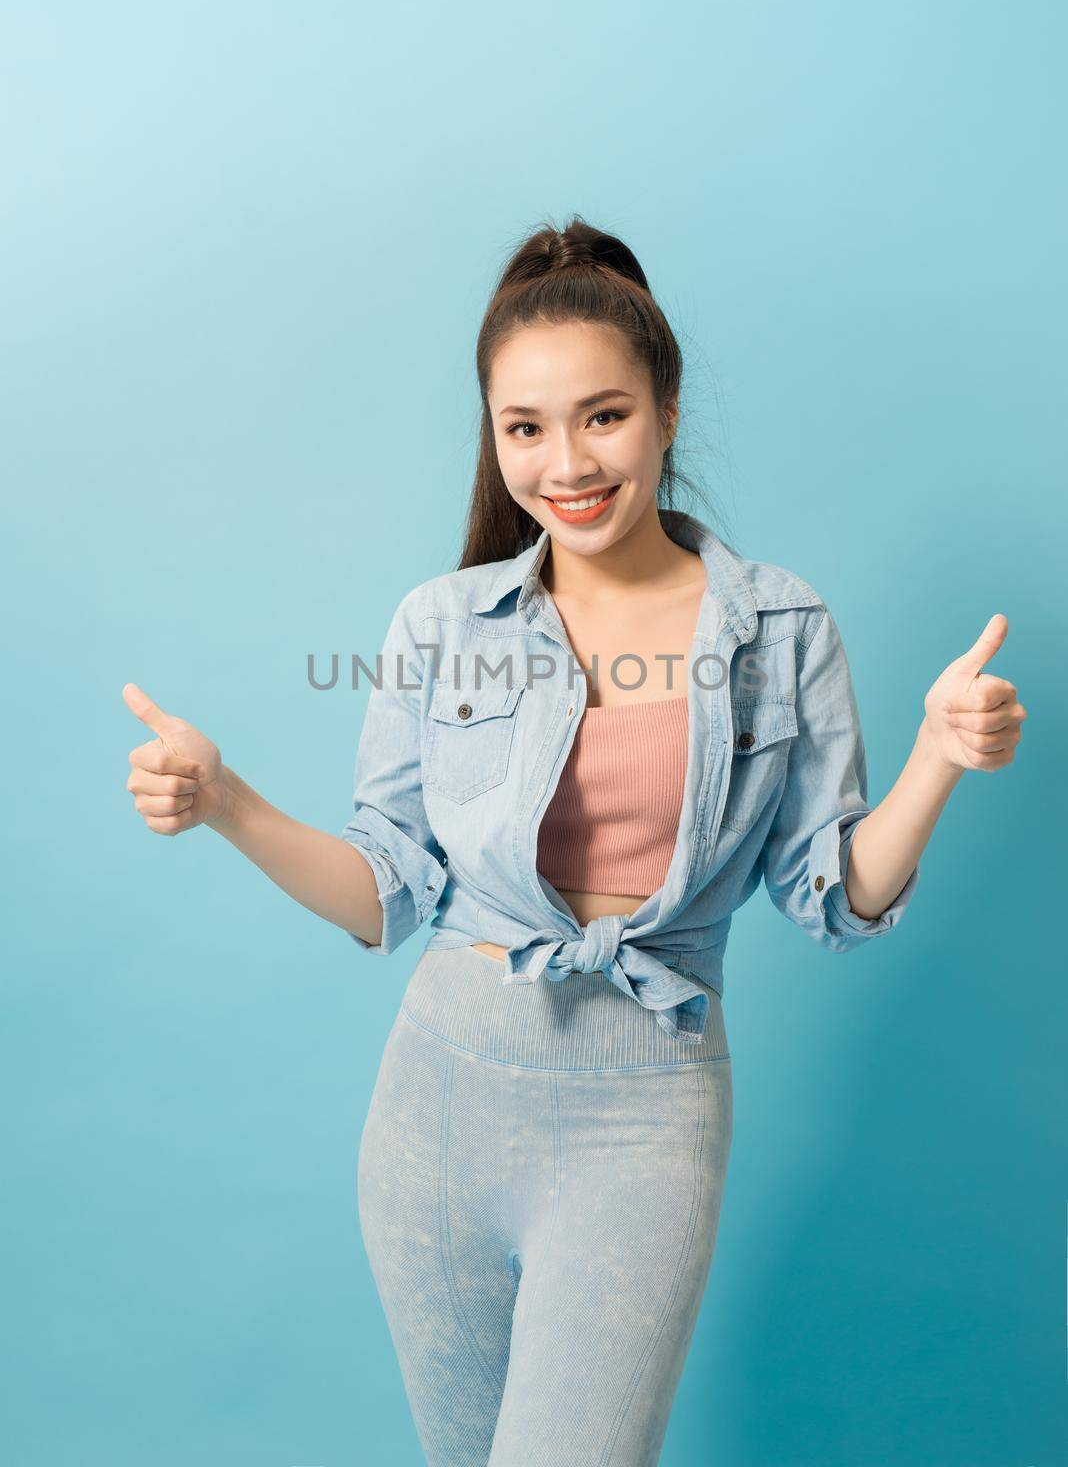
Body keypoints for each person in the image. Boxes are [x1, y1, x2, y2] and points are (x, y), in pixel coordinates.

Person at [122, 215, 1027, 1467]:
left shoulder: (779, 626)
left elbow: (834, 894)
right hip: (438, 1102)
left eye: (603, 416)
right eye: (525, 428)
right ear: (495, 440)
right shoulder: (443, 624)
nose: (567, 463)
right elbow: (385, 893)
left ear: (664, 408)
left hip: (646, 1112)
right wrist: (228, 802)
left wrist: (938, 758)